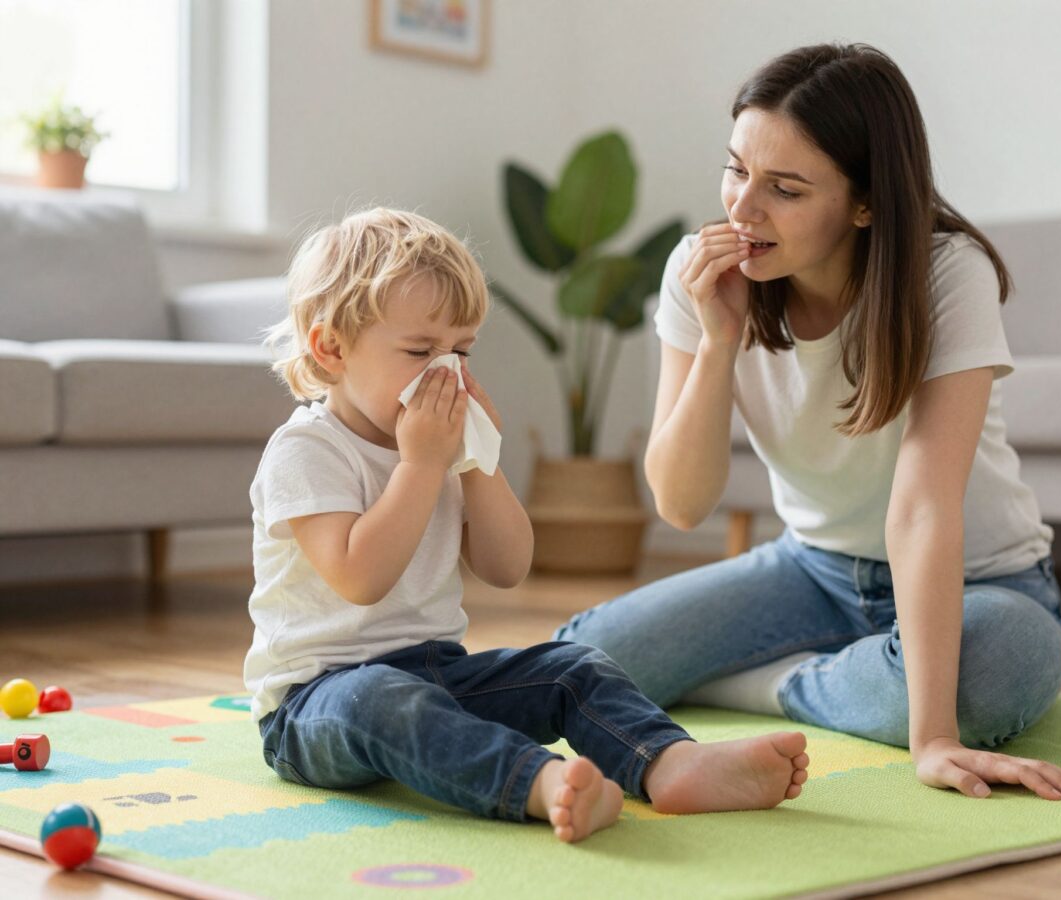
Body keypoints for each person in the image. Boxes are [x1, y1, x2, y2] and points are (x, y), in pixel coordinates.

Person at [555, 44, 1061, 803]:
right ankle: (854, 678)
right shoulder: (700, 275)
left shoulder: (946, 274)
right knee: (583, 658)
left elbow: (924, 505)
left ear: (865, 202)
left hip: (981, 582)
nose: (742, 209)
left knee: (998, 674)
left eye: (786, 189)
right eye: (737, 169)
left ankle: (759, 686)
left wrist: (934, 737)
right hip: (812, 570)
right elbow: (681, 504)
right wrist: (718, 342)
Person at [244, 208, 809, 844]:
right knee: (379, 699)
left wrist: (480, 463)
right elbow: (361, 578)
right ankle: (537, 784)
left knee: (573, 665)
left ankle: (669, 764)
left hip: (436, 673)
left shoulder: (438, 447)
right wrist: (424, 463)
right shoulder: (307, 450)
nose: (446, 372)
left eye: (461, 350)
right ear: (332, 348)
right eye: (419, 351)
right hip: (317, 706)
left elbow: (507, 567)